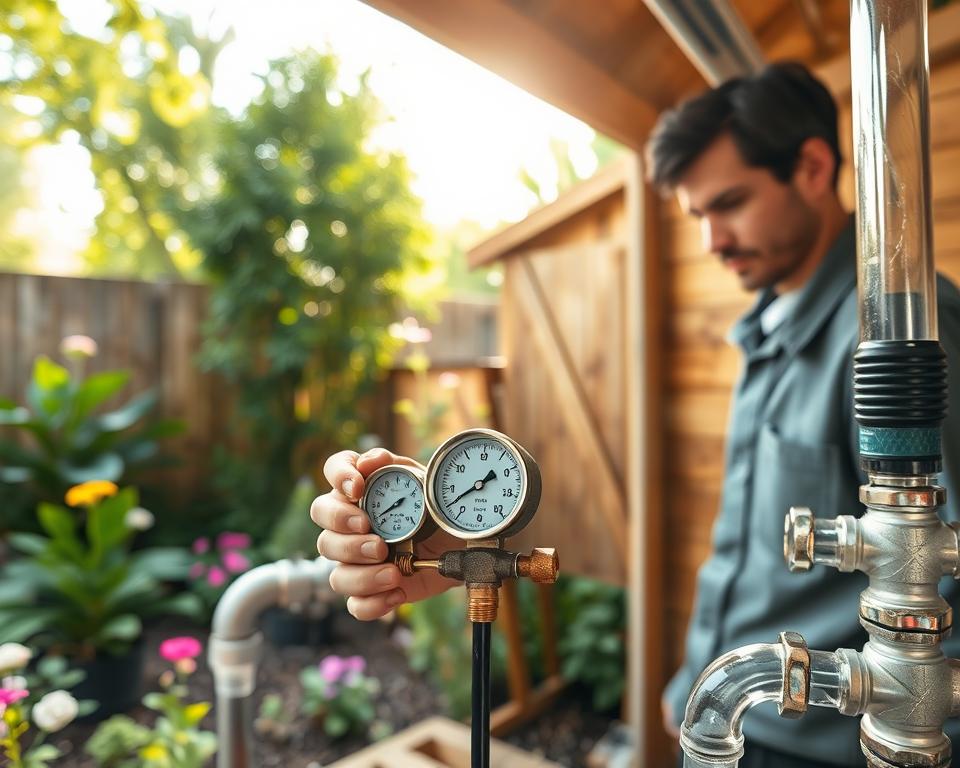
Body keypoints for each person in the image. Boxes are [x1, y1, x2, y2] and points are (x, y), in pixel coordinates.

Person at [311, 62, 960, 767]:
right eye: (698, 216)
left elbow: (942, 578)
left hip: (831, 745)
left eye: (730, 203)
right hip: (732, 719)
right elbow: (749, 560)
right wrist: (694, 684)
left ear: (811, 166)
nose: (712, 241)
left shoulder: (899, 338)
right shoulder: (767, 329)